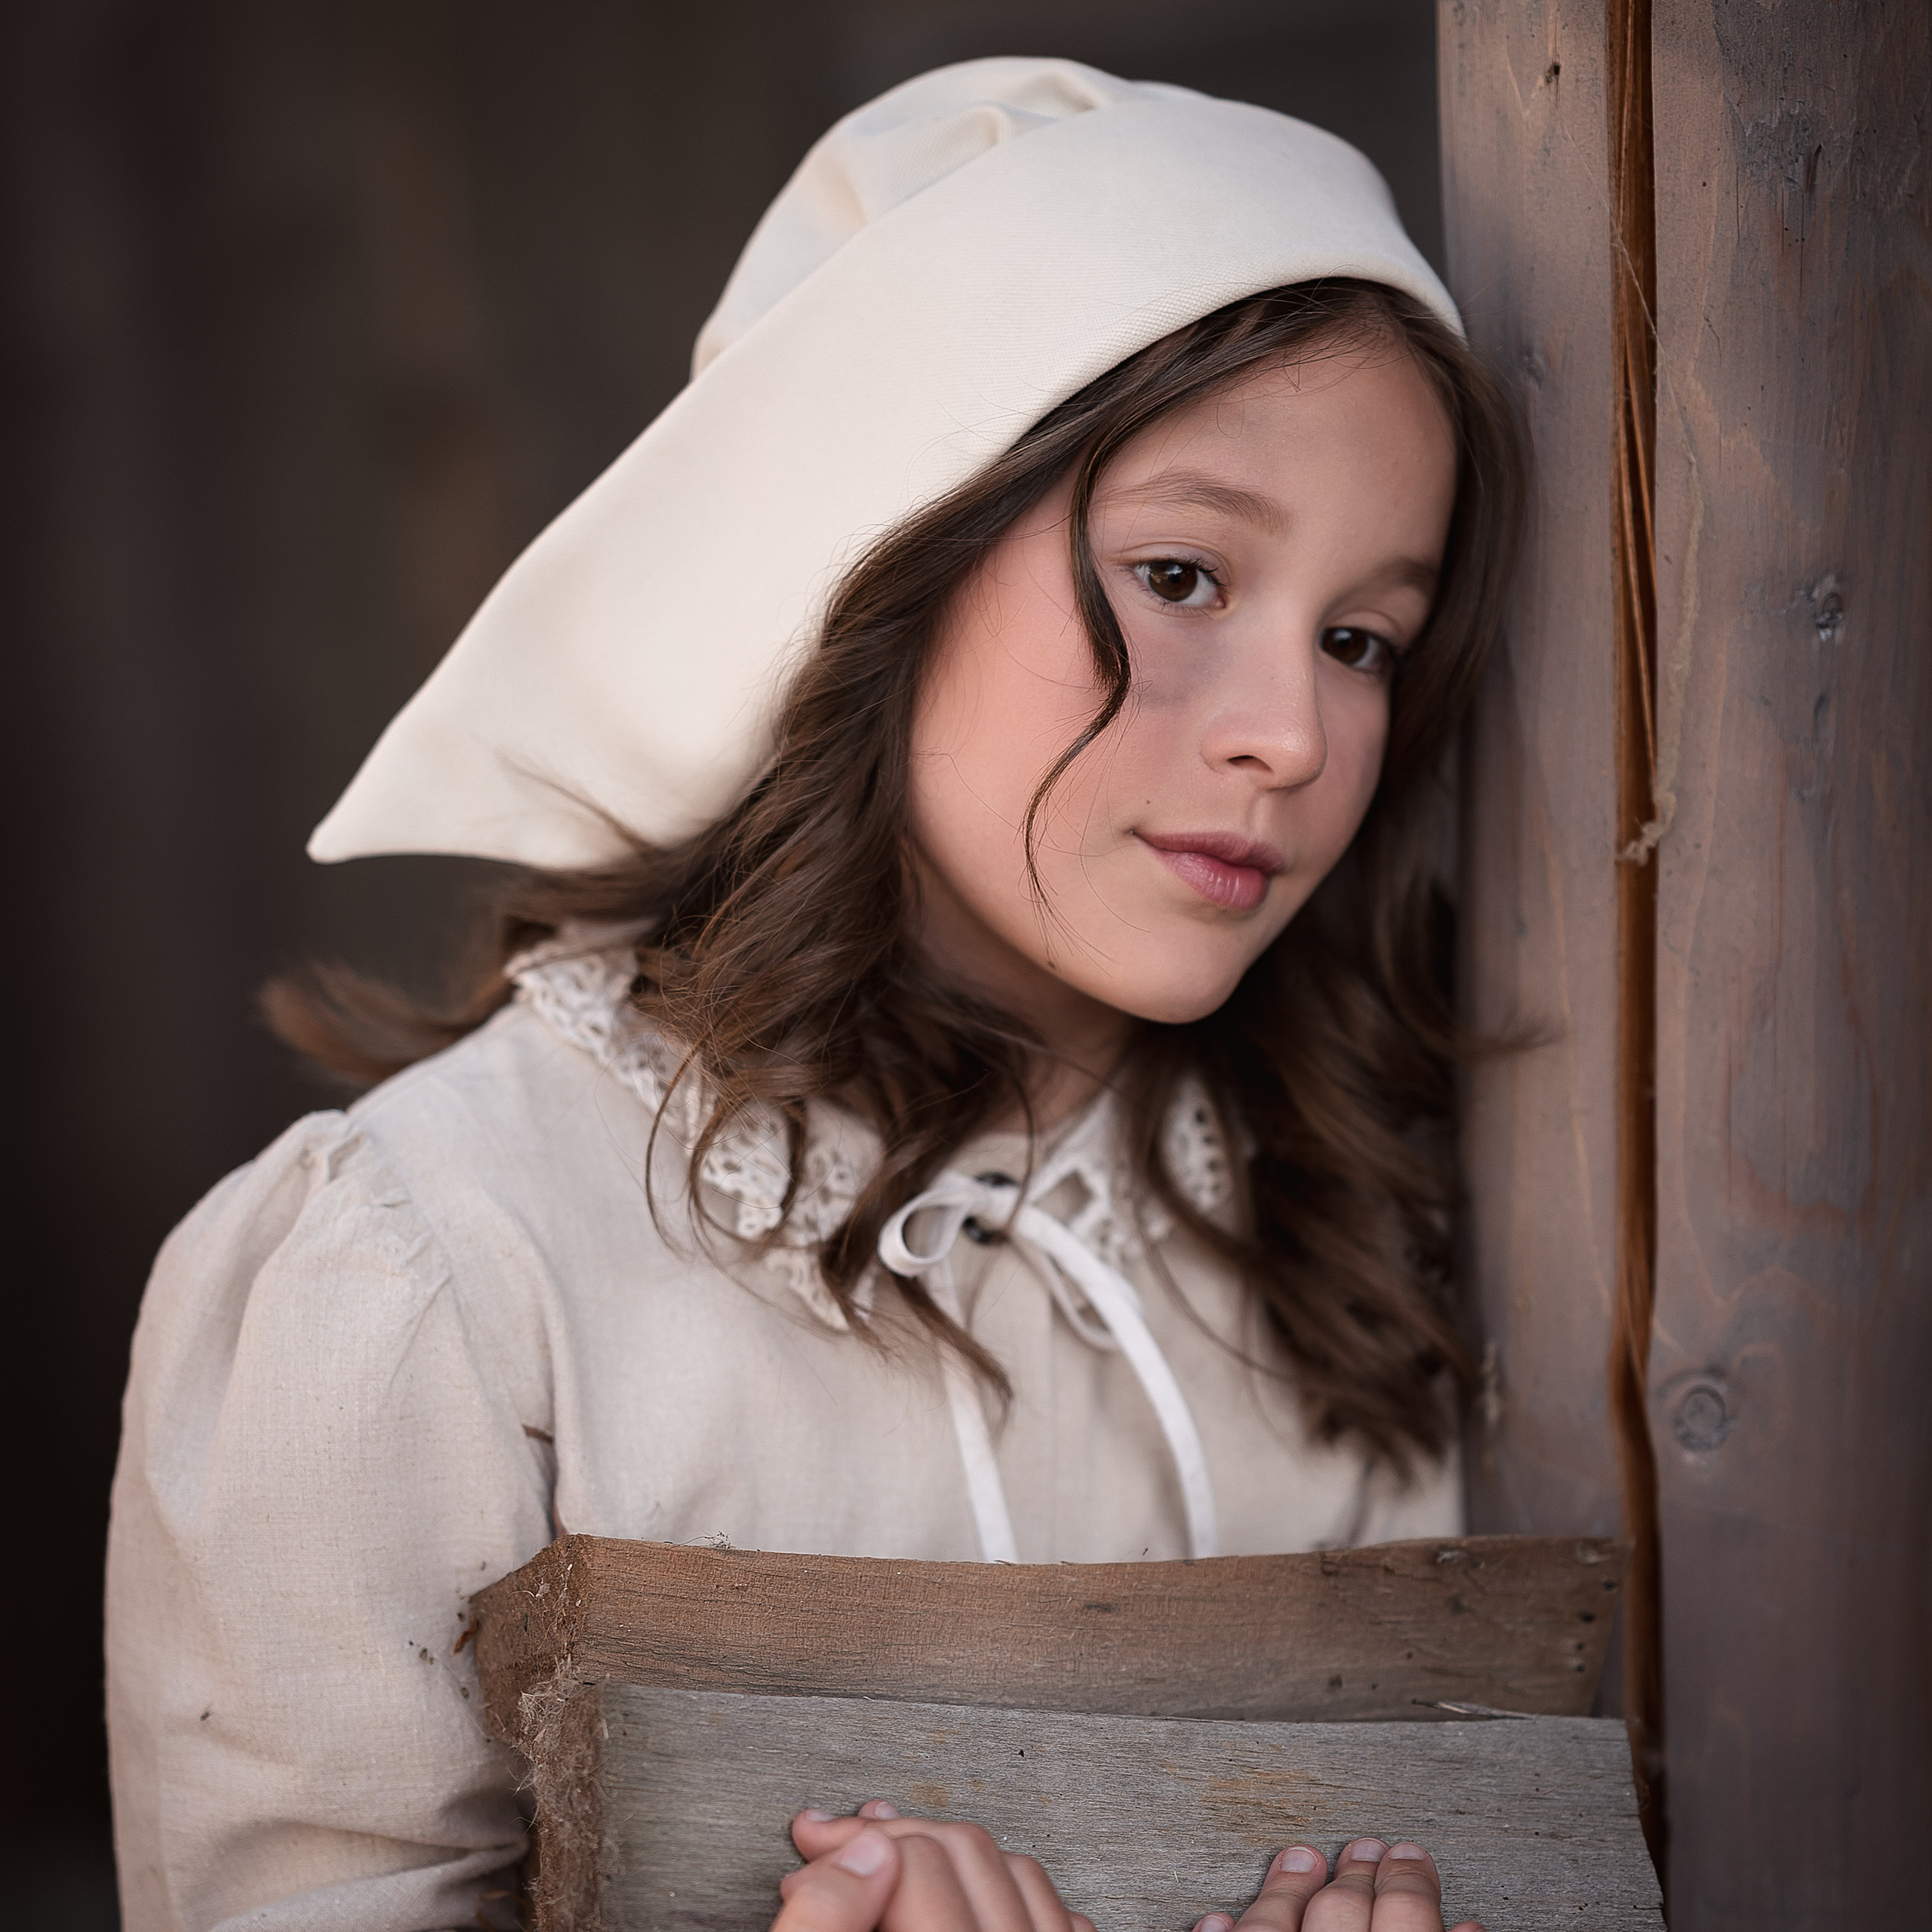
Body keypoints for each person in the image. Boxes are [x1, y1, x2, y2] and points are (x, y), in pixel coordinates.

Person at [106, 56, 1521, 1932]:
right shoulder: (432, 1272)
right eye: (1179, 574)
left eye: (1362, 638)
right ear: (876, 558)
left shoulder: (1368, 1232)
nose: (1289, 730)